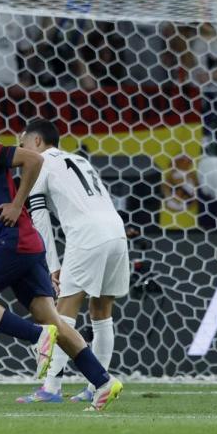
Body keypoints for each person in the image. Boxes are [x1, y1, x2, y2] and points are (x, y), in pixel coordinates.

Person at [0, 92, 122, 411]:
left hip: (15, 241)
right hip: (24, 243)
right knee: (54, 322)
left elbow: (34, 160)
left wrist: (18, 203)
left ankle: (36, 337)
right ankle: (103, 382)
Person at [14, 119, 130, 403]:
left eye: (23, 144)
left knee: (62, 311)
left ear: (37, 142)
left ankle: (51, 388)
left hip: (87, 234)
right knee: (102, 311)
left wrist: (51, 265)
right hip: (116, 232)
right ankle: (97, 384)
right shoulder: (78, 159)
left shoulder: (37, 163)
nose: (20, 151)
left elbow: (40, 220)